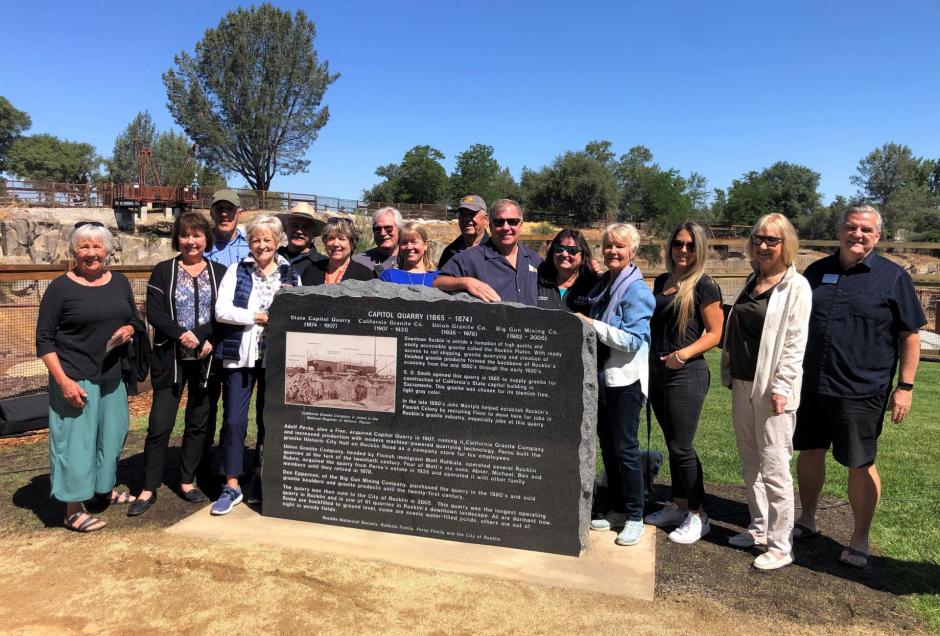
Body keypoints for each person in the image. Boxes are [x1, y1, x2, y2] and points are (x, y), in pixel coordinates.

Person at [793, 205, 925, 568]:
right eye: (851, 227)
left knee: (860, 463)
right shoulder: (817, 272)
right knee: (810, 451)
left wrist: (906, 387)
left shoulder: (893, 277)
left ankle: (859, 536)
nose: (858, 234)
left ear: (877, 236)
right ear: (839, 231)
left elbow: (910, 336)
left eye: (866, 229)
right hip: (812, 384)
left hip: (862, 388)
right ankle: (807, 518)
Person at [36, 221, 142, 532]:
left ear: (108, 251)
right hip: (75, 376)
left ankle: (102, 491)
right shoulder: (61, 288)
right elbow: (44, 340)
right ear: (74, 250)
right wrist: (63, 382)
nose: (91, 253)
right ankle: (72, 508)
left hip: (112, 375)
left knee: (112, 436)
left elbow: (134, 317)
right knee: (76, 443)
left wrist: (130, 329)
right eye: (84, 247)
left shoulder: (120, 282)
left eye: (97, 246)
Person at [719, 213, 811, 569]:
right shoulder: (751, 280)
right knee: (750, 461)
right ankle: (758, 527)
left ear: (785, 244)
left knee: (774, 465)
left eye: (772, 240)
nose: (763, 245)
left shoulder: (796, 287)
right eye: (758, 238)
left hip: (773, 389)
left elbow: (794, 341)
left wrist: (783, 387)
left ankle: (780, 544)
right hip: (742, 383)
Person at [128, 212, 228, 517]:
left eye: (197, 235)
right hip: (169, 357)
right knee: (160, 423)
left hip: (206, 358)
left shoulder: (220, 272)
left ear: (206, 239)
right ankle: (148, 487)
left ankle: (187, 480)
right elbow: (155, 313)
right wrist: (183, 335)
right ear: (177, 239)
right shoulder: (163, 271)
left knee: (199, 422)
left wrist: (203, 337)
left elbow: (223, 313)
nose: (191, 241)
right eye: (185, 235)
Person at [212, 215, 299, 515]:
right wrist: (257, 317)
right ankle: (232, 483)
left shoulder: (291, 273)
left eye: (267, 239)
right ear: (248, 242)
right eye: (255, 239)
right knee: (234, 421)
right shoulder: (238, 270)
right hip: (241, 357)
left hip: (276, 358)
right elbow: (222, 310)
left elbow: (296, 314)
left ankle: (263, 477)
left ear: (277, 242)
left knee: (269, 419)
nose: (261, 245)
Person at [643, 222, 724, 544]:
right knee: (673, 444)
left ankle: (697, 515)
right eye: (678, 243)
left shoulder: (704, 285)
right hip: (658, 371)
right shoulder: (663, 280)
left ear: (699, 249)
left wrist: (683, 355)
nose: (683, 250)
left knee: (682, 447)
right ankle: (678, 506)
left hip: (685, 374)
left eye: (690, 245)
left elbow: (716, 333)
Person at [580, 223, 655, 546]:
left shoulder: (637, 291)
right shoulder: (608, 284)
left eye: (620, 247)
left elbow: (633, 340)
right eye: (608, 245)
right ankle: (619, 508)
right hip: (602, 379)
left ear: (633, 251)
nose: (612, 251)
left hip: (625, 380)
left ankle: (637, 515)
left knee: (626, 449)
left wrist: (591, 325)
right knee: (609, 447)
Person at [201, 188, 251, 479]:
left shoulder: (250, 242)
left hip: (239, 334)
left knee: (234, 407)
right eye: (219, 209)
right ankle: (202, 464)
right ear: (212, 212)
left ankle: (229, 464)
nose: (224, 214)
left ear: (238, 213)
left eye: (229, 209)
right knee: (205, 403)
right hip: (209, 331)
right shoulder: (202, 242)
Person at [433, 199, 542, 305]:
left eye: (512, 221)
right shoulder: (469, 258)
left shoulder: (535, 260)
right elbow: (438, 282)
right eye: (499, 222)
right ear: (490, 226)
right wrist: (466, 282)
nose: (506, 227)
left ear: (521, 225)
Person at [536, 229, 599, 313]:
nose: (564, 254)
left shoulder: (593, 286)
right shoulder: (539, 281)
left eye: (572, 250)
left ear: (583, 255)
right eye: (559, 248)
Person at [299, 217, 378, 285]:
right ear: (325, 242)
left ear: (351, 243)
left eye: (341, 239)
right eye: (331, 238)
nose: (336, 244)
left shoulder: (364, 276)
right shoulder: (311, 270)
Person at [380, 222, 439, 286]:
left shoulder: (439, 277)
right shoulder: (389, 276)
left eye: (414, 242)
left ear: (425, 245)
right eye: (404, 243)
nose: (409, 247)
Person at [437, 194, 489, 269]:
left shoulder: (494, 251)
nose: (466, 219)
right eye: (463, 215)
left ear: (485, 219)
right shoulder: (450, 252)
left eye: (471, 214)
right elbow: (440, 279)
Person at [351, 206, 401, 273]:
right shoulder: (358, 262)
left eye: (388, 228)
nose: (383, 233)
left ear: (399, 229)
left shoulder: (412, 259)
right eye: (377, 229)